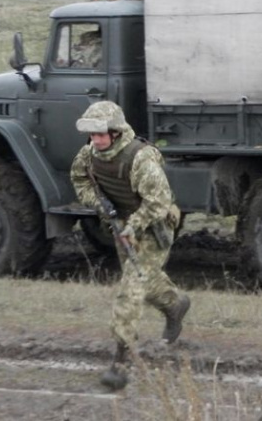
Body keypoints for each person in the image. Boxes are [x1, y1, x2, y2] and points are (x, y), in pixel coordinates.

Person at [70, 101, 190, 390]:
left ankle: (121, 361)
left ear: (115, 132)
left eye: (101, 135)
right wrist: (100, 204)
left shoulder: (140, 158)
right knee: (144, 284)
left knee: (130, 290)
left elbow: (159, 202)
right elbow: (79, 180)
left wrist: (134, 226)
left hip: (153, 227)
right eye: (92, 135)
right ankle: (175, 304)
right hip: (121, 226)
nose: (96, 140)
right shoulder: (89, 155)